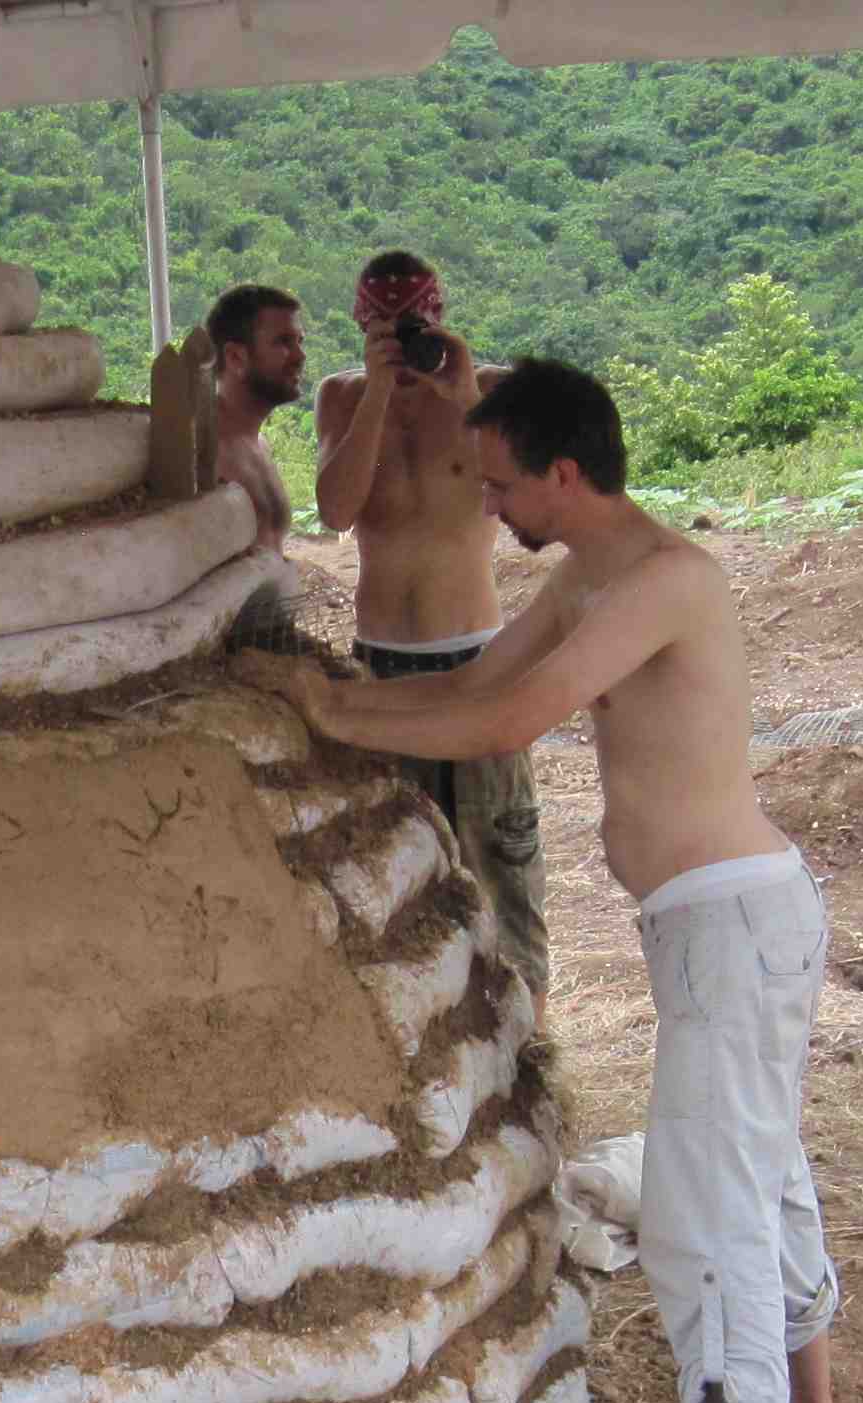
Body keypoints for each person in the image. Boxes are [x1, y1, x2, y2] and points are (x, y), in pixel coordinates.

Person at [238, 358, 848, 1403]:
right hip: (713, 928)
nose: (494, 506)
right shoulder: (587, 575)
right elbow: (465, 682)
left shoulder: (668, 581)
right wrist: (342, 695)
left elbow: (508, 719)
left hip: (735, 927)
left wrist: (336, 721)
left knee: (706, 1212)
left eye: (505, 482)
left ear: (566, 473)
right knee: (764, 1177)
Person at [314, 251, 550, 1013]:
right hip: (384, 668)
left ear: (442, 316)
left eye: (417, 324)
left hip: (476, 660)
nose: (408, 340)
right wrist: (379, 390)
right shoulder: (343, 399)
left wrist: (461, 392)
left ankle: (529, 1046)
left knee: (502, 873)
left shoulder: (488, 394)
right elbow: (335, 510)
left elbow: (536, 486)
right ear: (359, 326)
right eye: (388, 329)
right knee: (392, 869)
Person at [204, 283, 305, 554]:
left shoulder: (258, 443)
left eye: (299, 341)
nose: (300, 356)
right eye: (284, 342)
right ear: (236, 357)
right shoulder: (200, 448)